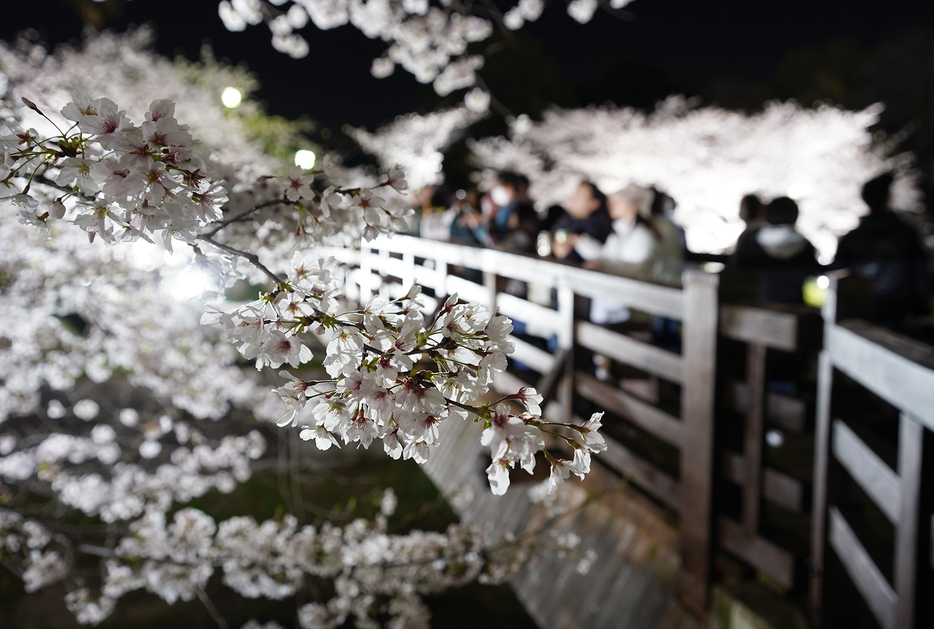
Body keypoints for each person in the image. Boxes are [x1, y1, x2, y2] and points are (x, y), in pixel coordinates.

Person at [834, 172, 930, 330]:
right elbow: (920, 274)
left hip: (859, 314)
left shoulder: (853, 238)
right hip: (899, 313)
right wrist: (921, 309)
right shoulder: (905, 234)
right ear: (888, 198)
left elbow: (838, 273)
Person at [732, 196, 820, 303]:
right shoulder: (806, 246)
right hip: (794, 305)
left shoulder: (751, 242)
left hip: (756, 304)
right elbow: (815, 272)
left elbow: (736, 270)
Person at [550, 181, 613, 262]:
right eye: (575, 193)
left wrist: (566, 254)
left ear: (594, 204)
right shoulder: (566, 219)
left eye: (580, 196)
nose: (573, 198)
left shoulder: (598, 228)